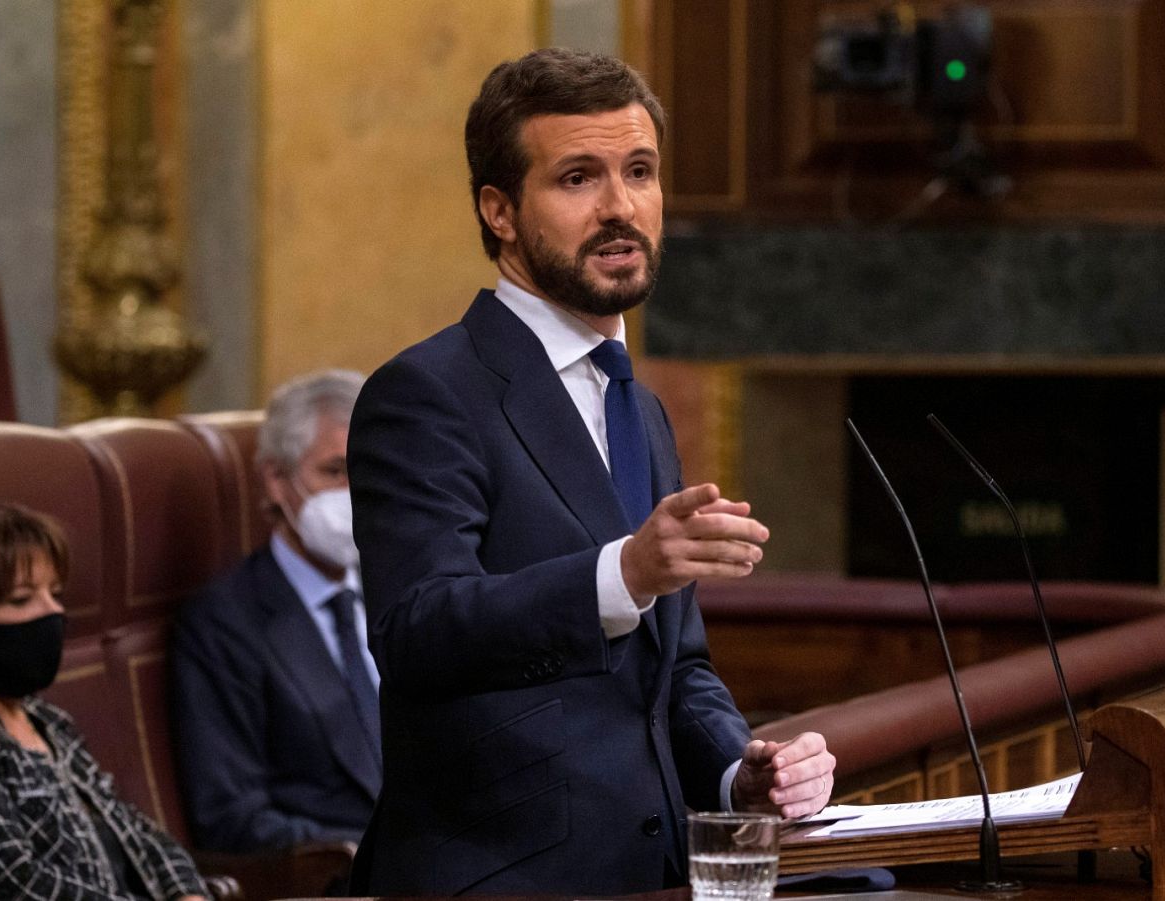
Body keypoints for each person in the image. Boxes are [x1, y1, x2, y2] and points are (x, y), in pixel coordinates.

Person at [346, 47, 836, 896]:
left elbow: (675, 667)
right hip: (502, 876)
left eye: (639, 171)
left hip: (655, 870)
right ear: (499, 211)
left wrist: (738, 774)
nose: (621, 207)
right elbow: (416, 630)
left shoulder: (638, 407)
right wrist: (624, 572)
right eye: (578, 178)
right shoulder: (426, 392)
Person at [0, 500, 207, 900]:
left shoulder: (45, 720)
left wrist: (186, 891)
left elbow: (136, 831)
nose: (54, 613)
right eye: (21, 599)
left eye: (55, 594)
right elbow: (13, 884)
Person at [171, 369, 379, 853]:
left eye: (368, 471)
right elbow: (231, 815)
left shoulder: (402, 587)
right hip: (342, 869)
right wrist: (361, 856)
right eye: (335, 471)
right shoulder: (224, 624)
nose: (356, 493)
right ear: (277, 480)